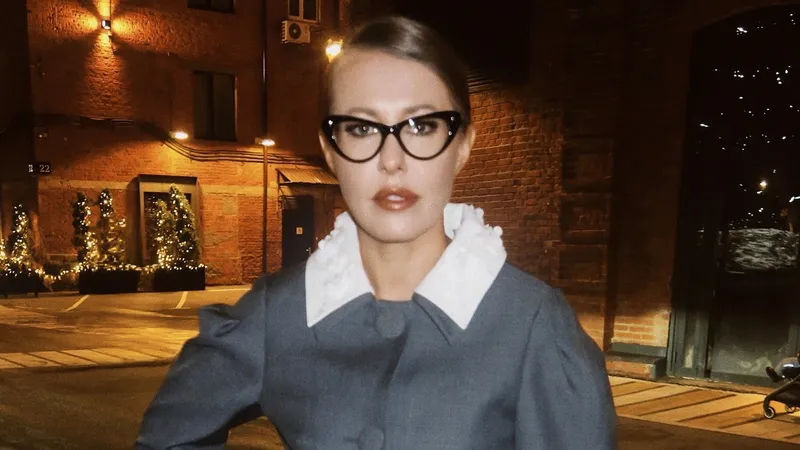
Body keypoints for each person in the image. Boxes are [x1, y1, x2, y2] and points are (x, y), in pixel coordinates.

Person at [136, 15, 617, 449]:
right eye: (362, 128)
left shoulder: (533, 326)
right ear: (330, 149)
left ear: (463, 145)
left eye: (422, 126)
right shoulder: (277, 314)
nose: (392, 160)